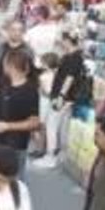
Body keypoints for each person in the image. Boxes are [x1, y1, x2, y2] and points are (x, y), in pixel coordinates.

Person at [0, 49, 41, 173]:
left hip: (15, 146)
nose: (2, 67)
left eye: (4, 63)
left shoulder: (30, 91)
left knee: (14, 183)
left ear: (11, 66)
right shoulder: (4, 83)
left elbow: (34, 123)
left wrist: (8, 126)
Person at [34, 32, 85, 169]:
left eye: (62, 40)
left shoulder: (73, 58)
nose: (61, 42)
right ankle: (60, 154)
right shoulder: (74, 56)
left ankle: (50, 156)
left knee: (52, 125)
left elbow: (69, 78)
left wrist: (61, 96)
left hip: (62, 97)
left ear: (68, 40)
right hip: (66, 97)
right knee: (62, 126)